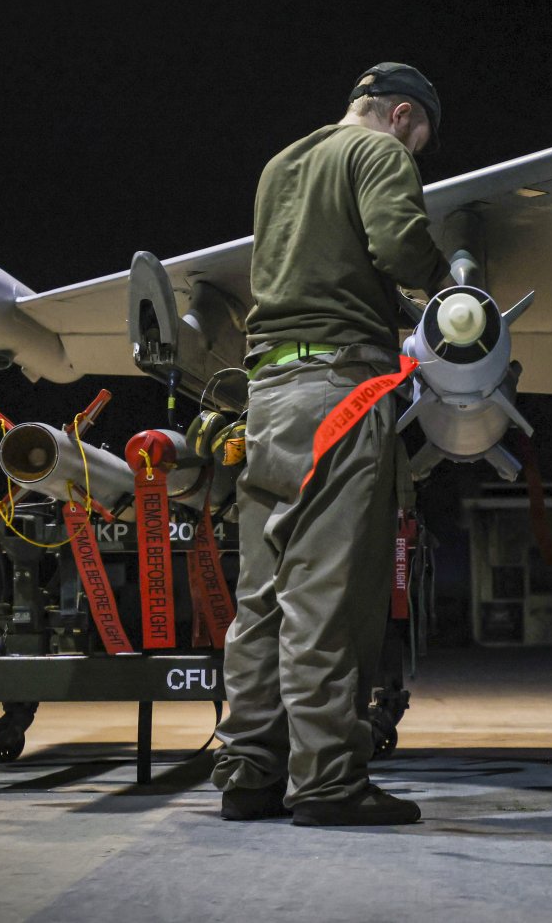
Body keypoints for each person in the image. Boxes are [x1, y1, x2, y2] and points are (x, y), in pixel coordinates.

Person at [210, 62, 449, 826]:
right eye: (422, 140)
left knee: (261, 599)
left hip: (268, 396)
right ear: (402, 115)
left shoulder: (282, 164)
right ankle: (329, 785)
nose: (417, 154)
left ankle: (249, 768)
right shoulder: (380, 154)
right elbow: (401, 249)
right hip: (341, 391)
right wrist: (453, 295)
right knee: (329, 595)